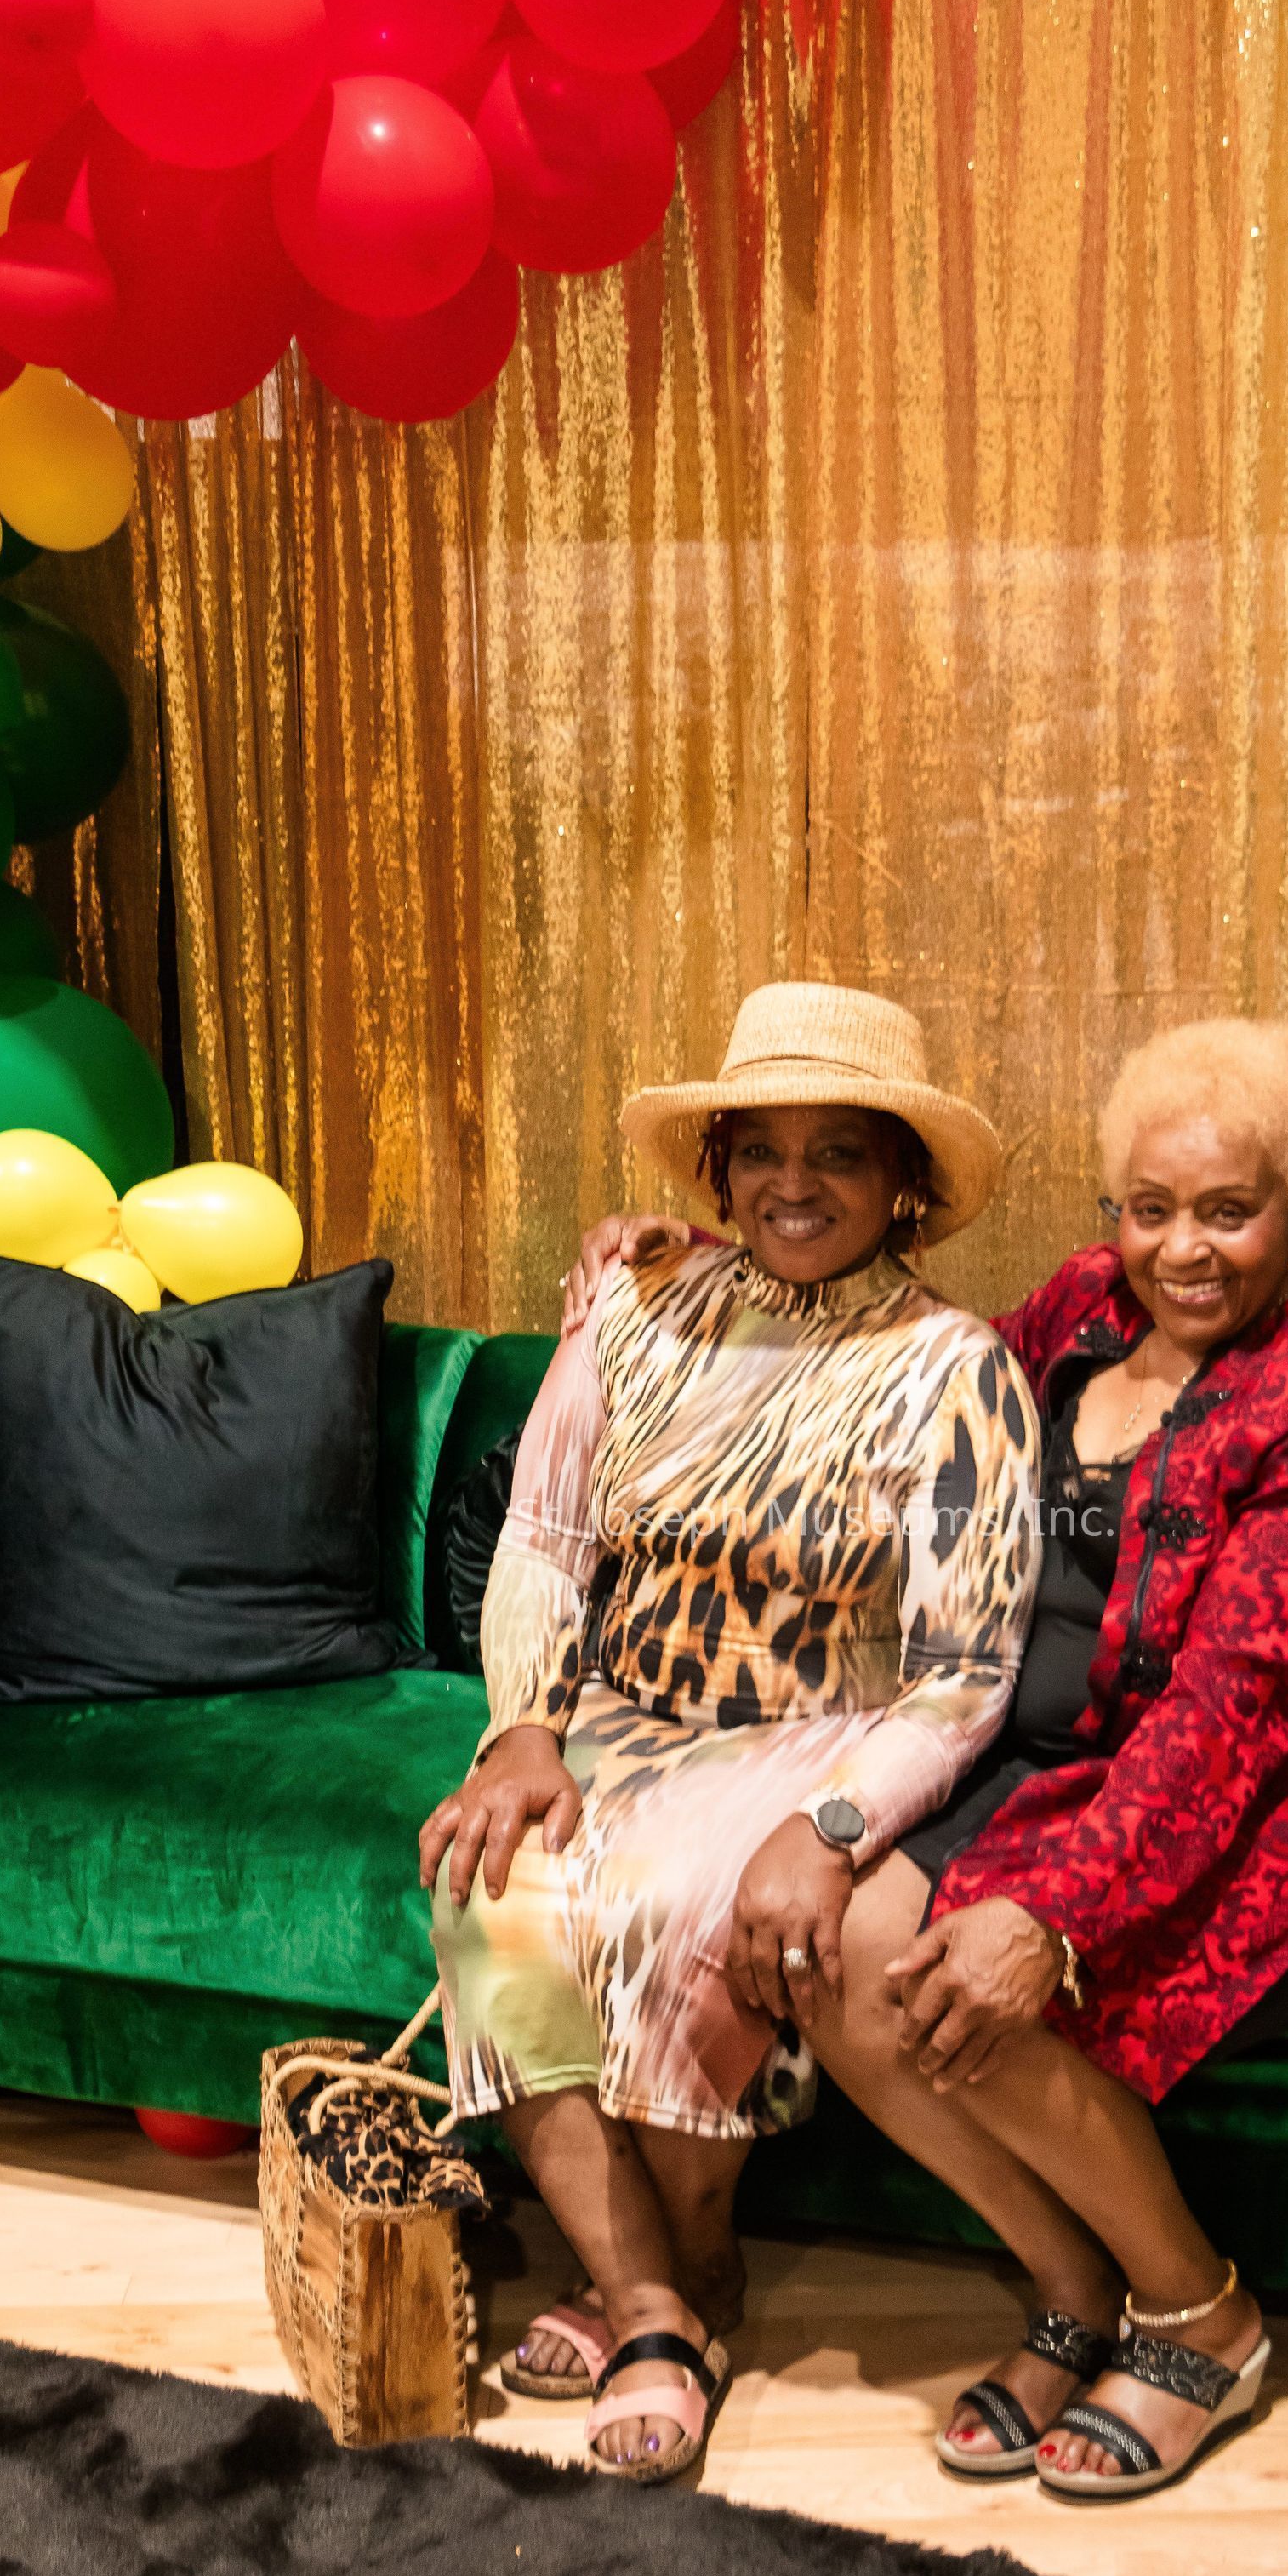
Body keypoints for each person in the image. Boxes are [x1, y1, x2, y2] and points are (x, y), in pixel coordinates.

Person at [563, 1013, 1288, 2502]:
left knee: (964, 1969)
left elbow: (1225, 1723)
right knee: (843, 1936)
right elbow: (897, 1362)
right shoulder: (1079, 1314)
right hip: (1069, 1763)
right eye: (1150, 1209)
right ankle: (1072, 2287)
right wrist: (705, 1266)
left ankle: (1202, 2315)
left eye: (1229, 1212)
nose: (1183, 1249)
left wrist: (1047, 1920)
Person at [423, 982, 1040, 2485]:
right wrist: (523, 1731)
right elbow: (547, 1539)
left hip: (820, 1733)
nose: (792, 1183)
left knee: (674, 1904)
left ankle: (689, 2274)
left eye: (838, 1152)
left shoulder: (955, 1368)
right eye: (760, 1150)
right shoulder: (636, 1310)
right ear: (717, 1172)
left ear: (902, 1183)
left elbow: (966, 1671)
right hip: (617, 1716)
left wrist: (830, 1824)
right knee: (487, 1891)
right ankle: (654, 2298)